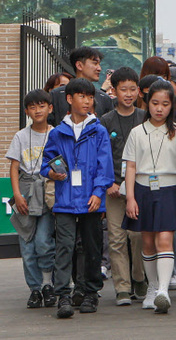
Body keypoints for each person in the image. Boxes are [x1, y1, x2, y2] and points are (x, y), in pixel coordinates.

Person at [40, 78, 115, 319]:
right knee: (64, 247)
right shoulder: (58, 133)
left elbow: (106, 168)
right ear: (69, 99)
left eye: (90, 97)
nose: (87, 101)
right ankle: (64, 295)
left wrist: (97, 193)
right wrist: (51, 172)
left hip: (91, 201)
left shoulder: (99, 130)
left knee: (92, 247)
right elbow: (45, 164)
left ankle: (89, 292)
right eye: (82, 96)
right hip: (64, 201)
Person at [122, 80, 176, 314]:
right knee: (147, 242)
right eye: (155, 103)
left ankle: (163, 291)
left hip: (171, 188)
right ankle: (152, 287)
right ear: (147, 104)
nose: (159, 108)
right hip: (143, 189)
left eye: (165, 104)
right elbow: (130, 167)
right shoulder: (137, 132)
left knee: (165, 238)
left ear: (172, 106)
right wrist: (130, 197)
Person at [99, 67, 147, 306]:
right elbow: (102, 157)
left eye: (132, 89)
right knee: (116, 239)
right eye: (123, 90)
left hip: (139, 188)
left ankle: (139, 277)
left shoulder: (145, 117)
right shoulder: (105, 121)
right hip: (114, 190)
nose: (128, 94)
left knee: (137, 235)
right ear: (114, 91)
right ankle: (122, 288)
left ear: (138, 91)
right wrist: (108, 184)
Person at [7, 89, 56, 309]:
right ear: (27, 111)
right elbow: (14, 166)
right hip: (25, 192)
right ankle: (34, 289)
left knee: (44, 242)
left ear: (50, 108)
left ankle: (47, 284)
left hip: (46, 192)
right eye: (33, 107)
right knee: (27, 245)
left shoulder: (55, 133)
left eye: (42, 105)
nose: (38, 110)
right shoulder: (20, 136)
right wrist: (17, 195)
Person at [49, 47, 114, 126]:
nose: (99, 68)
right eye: (95, 63)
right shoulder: (57, 95)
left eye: (99, 64)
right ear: (79, 65)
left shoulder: (104, 99)